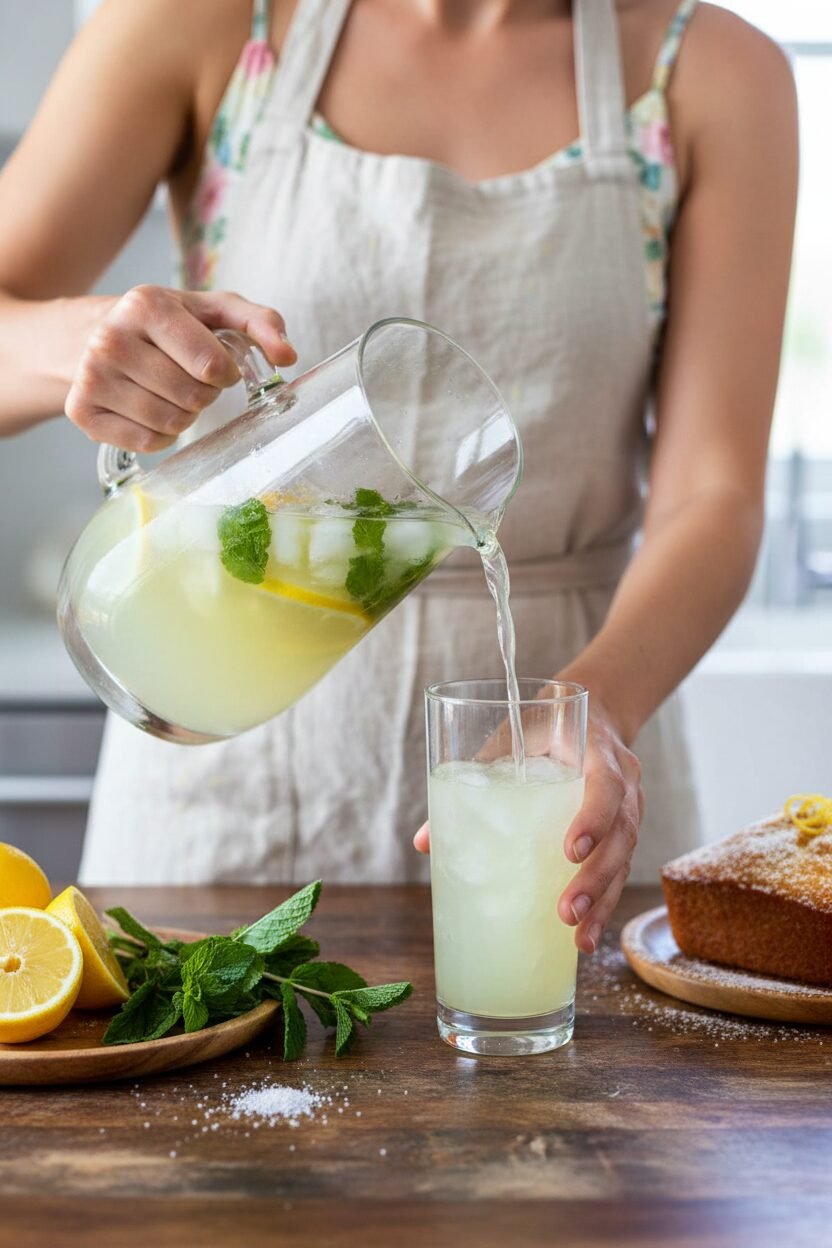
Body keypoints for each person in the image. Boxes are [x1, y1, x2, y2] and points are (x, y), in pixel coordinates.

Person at [0, 0, 797, 954]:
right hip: (222, 776)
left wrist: (594, 707)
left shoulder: (713, 73)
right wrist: (79, 345)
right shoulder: (200, 22)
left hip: (565, 781)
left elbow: (716, 493)